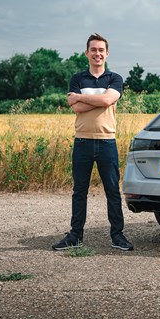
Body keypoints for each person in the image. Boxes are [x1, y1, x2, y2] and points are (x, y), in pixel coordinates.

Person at [52, 33, 133, 251]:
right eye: (93, 50)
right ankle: (75, 236)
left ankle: (118, 236)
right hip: (83, 143)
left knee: (112, 191)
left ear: (107, 53)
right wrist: (98, 100)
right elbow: (77, 107)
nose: (97, 53)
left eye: (101, 50)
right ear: (87, 53)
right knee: (79, 191)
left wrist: (81, 97)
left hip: (107, 142)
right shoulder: (78, 79)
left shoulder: (114, 78)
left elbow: (108, 100)